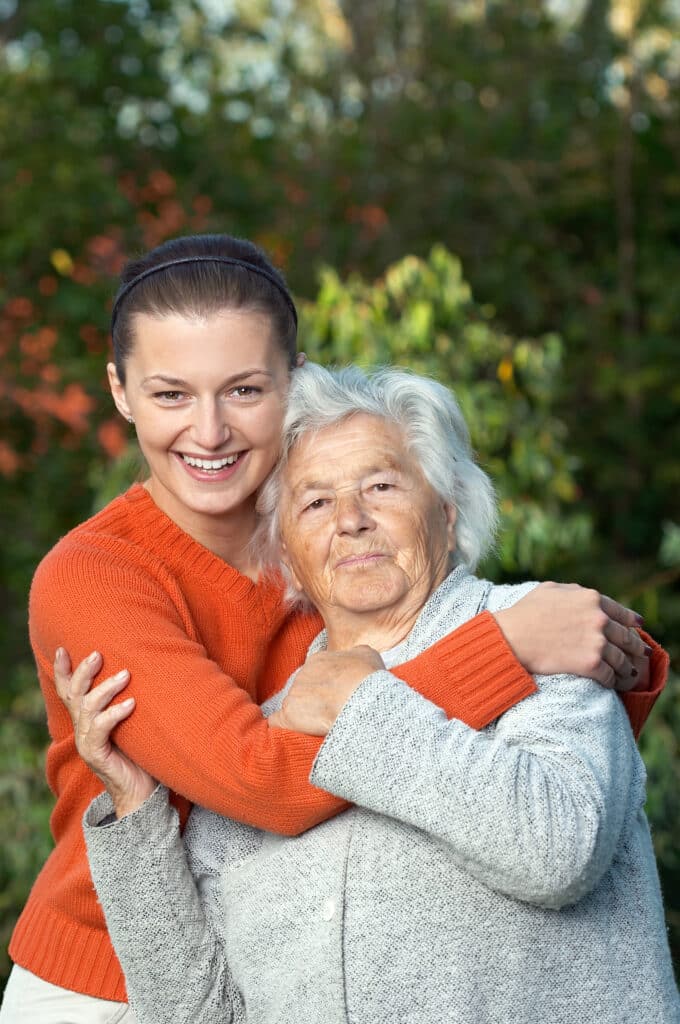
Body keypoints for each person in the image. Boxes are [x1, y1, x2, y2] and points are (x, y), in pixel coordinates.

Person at [0, 235, 664, 1023]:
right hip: (98, 966)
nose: (209, 432)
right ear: (120, 391)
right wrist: (508, 650)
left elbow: (552, 820)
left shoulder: (323, 581)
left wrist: (587, 651)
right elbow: (259, 778)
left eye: (244, 390)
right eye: (171, 394)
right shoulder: (101, 575)